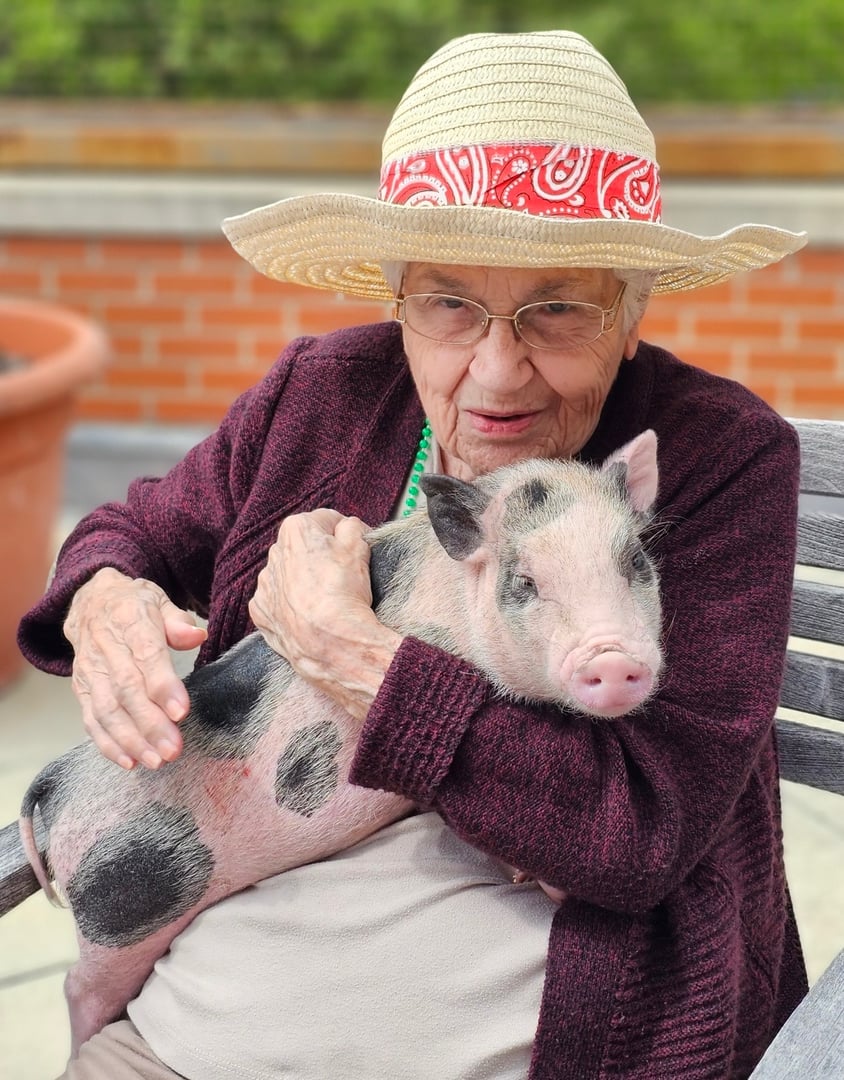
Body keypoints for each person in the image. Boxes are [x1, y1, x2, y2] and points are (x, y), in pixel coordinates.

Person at [19, 29, 810, 1080]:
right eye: (448, 304)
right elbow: (139, 530)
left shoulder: (716, 457)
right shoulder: (322, 393)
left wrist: (354, 659)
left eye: (557, 308)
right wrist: (103, 597)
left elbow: (641, 834)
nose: (497, 370)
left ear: (632, 313)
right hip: (172, 1041)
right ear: (396, 304)